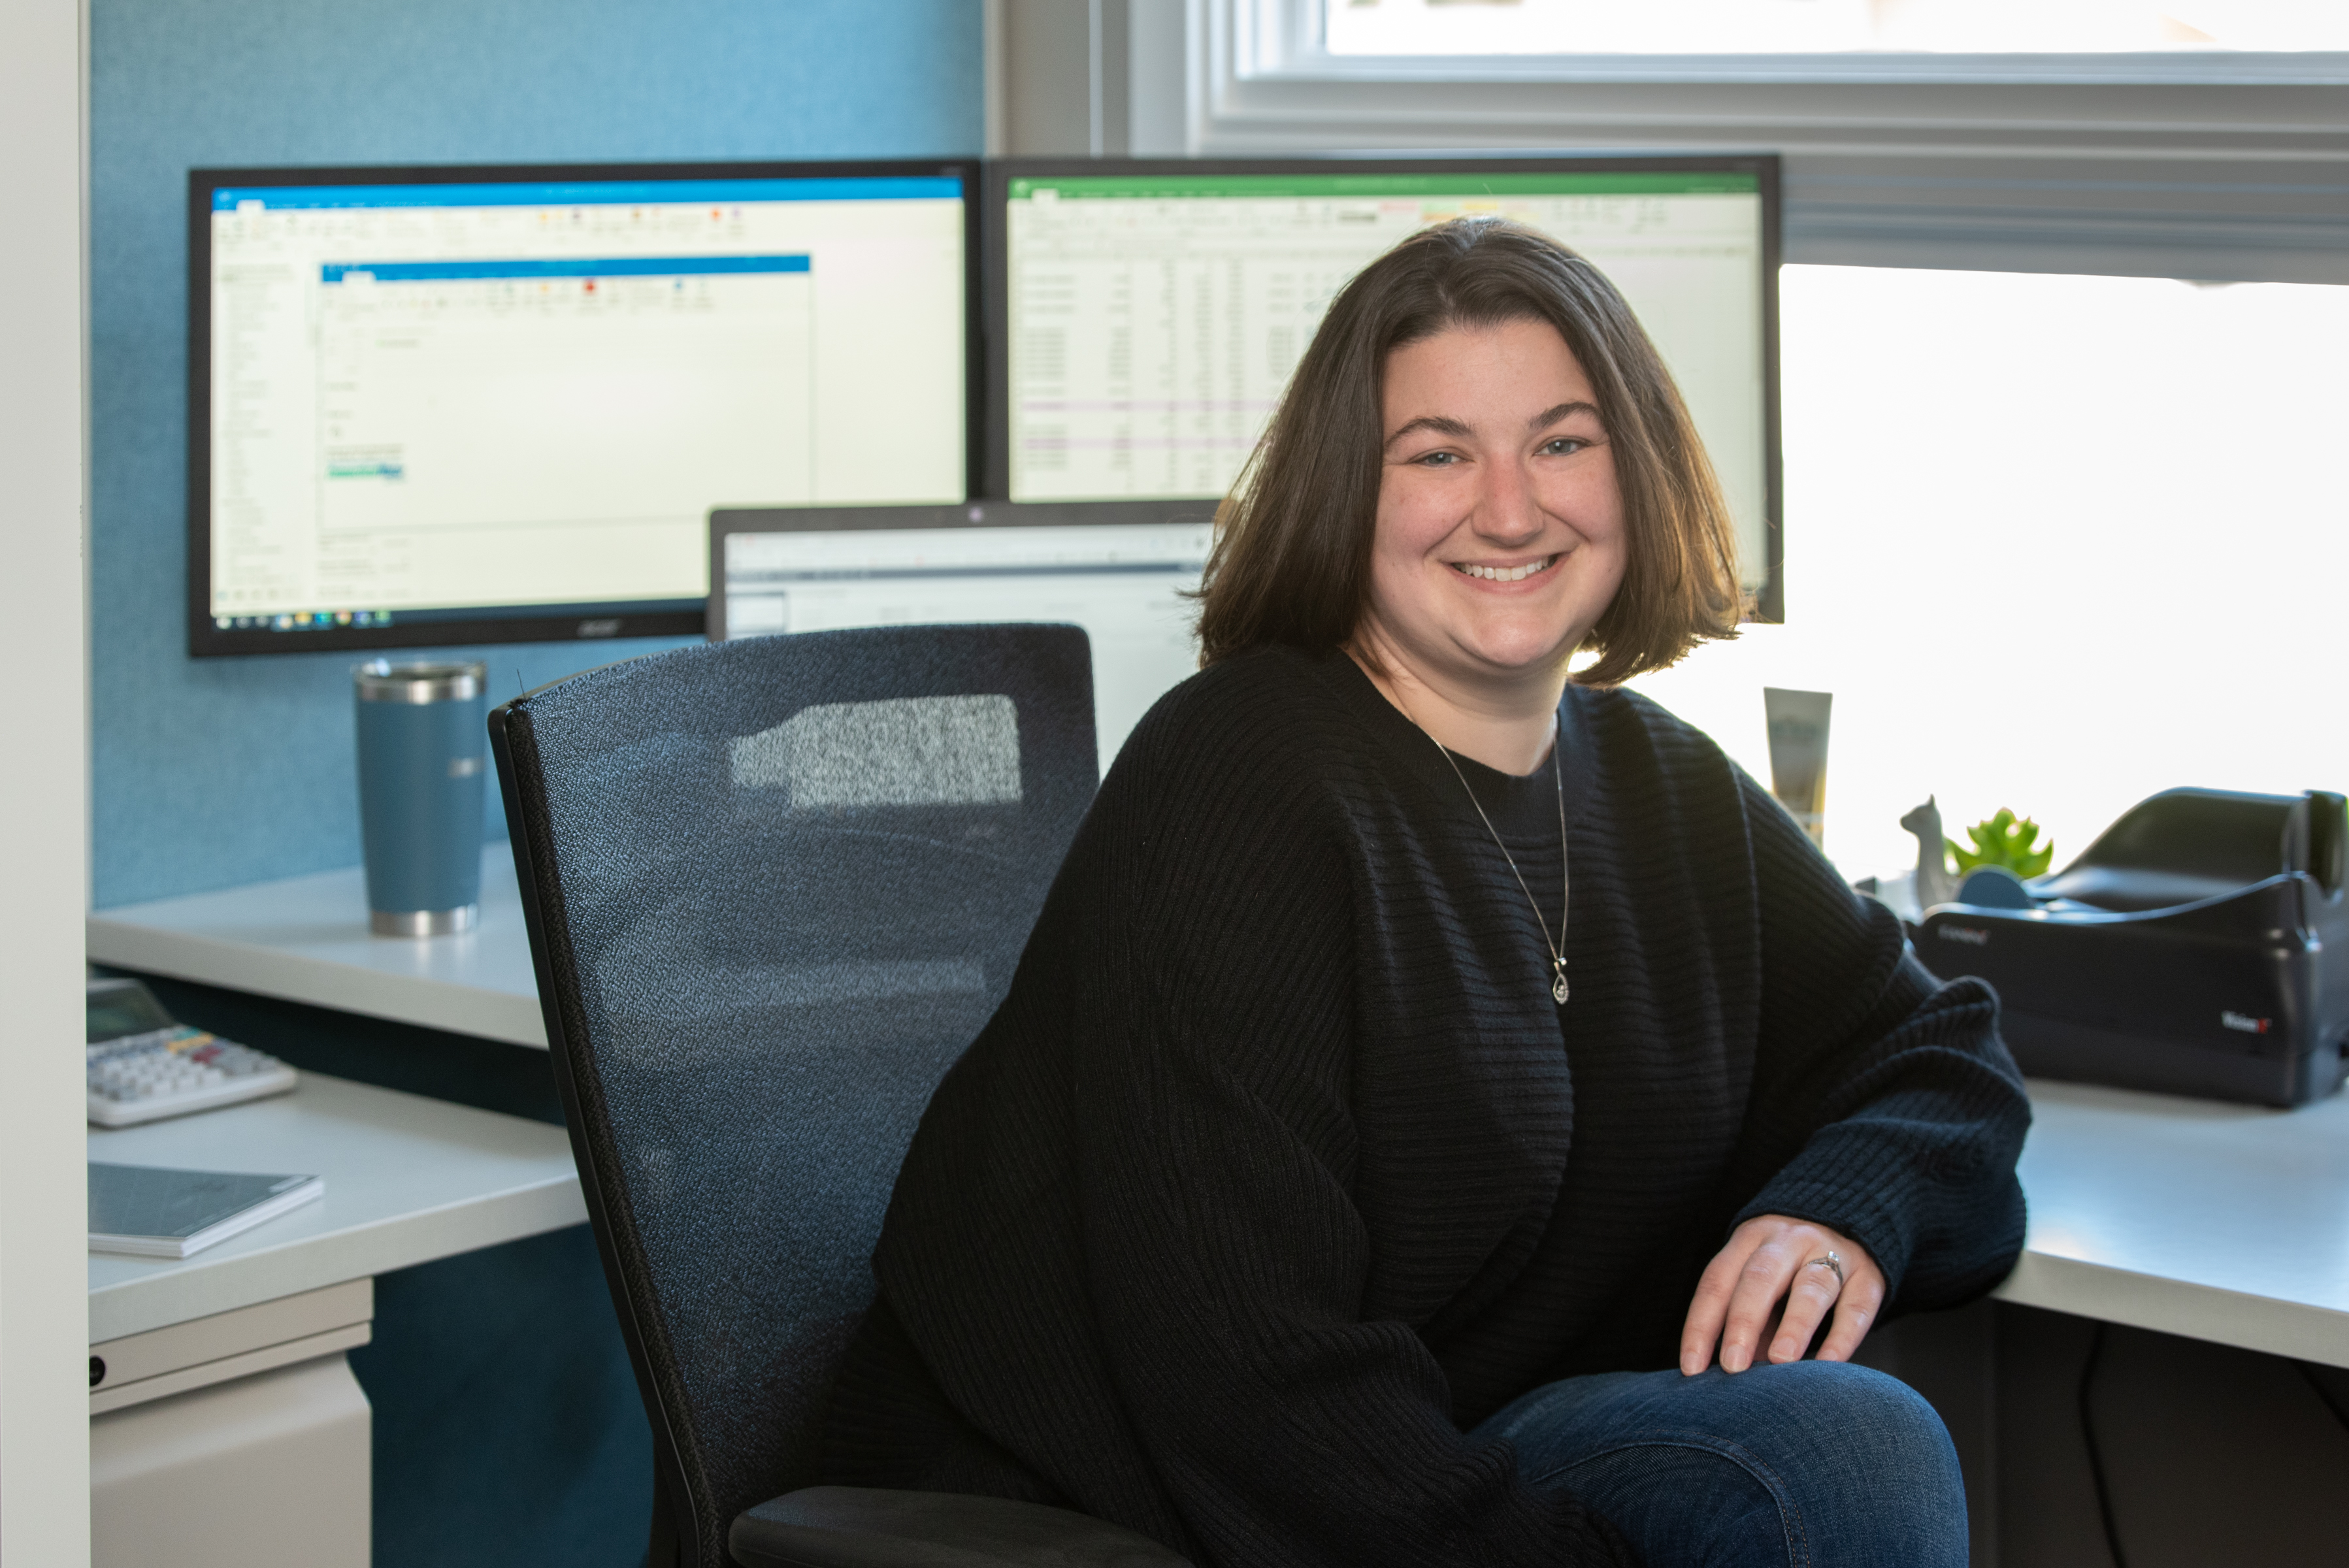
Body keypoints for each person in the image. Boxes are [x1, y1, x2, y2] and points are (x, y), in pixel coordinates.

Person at [823, 218, 2029, 1567]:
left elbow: (1944, 1058)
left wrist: (1844, 1208)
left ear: (1638, 473)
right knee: (1848, 1449)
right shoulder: (1239, 780)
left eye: (1561, 444)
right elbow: (1249, 1384)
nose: (1509, 511)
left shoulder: (1664, 786)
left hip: (1451, 1450)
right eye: (1438, 454)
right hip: (1120, 1515)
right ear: (1347, 492)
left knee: (1840, 1438)